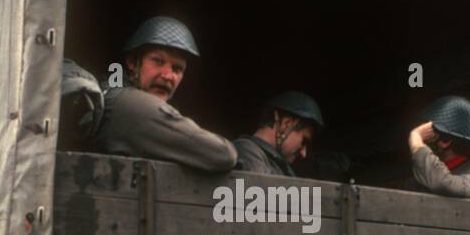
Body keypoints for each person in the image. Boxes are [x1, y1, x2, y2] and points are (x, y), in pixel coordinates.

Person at [87, 16, 236, 173]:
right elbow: (223, 154)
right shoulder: (129, 104)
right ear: (132, 62)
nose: (168, 76)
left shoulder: (113, 93)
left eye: (177, 69)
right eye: (158, 61)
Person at [408, 95, 470, 200]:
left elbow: (444, 184)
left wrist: (416, 142)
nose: (423, 143)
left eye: (427, 137)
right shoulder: (425, 177)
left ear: (445, 141)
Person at [234, 91, 325, 176]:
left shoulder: (278, 164)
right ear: (286, 124)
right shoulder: (246, 150)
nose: (303, 153)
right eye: (304, 141)